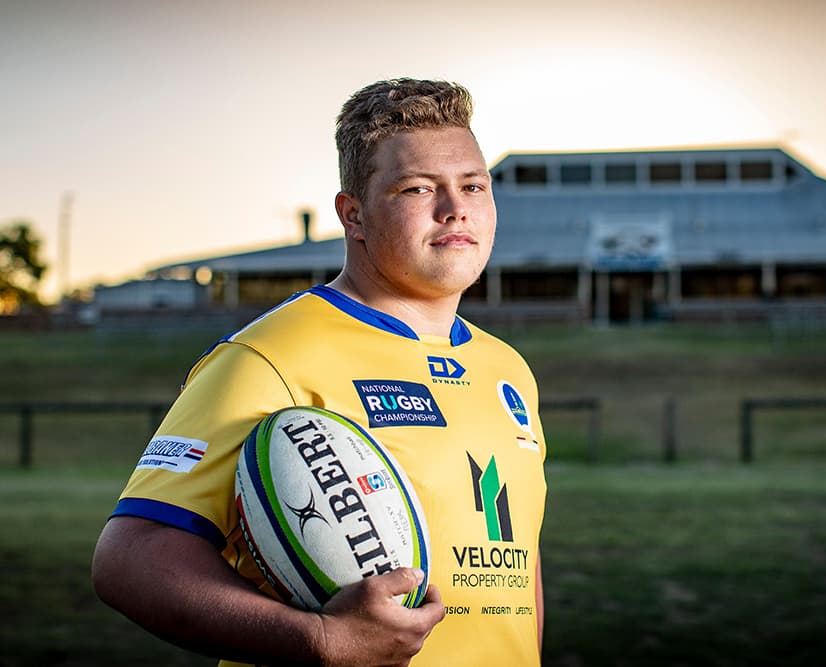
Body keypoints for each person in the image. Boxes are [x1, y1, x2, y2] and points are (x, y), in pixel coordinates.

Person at [92, 78, 547, 667]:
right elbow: (131, 558)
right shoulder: (269, 356)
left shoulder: (508, 369)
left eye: (473, 185)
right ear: (352, 214)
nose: (455, 207)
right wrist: (321, 642)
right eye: (418, 187)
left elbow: (519, 572)